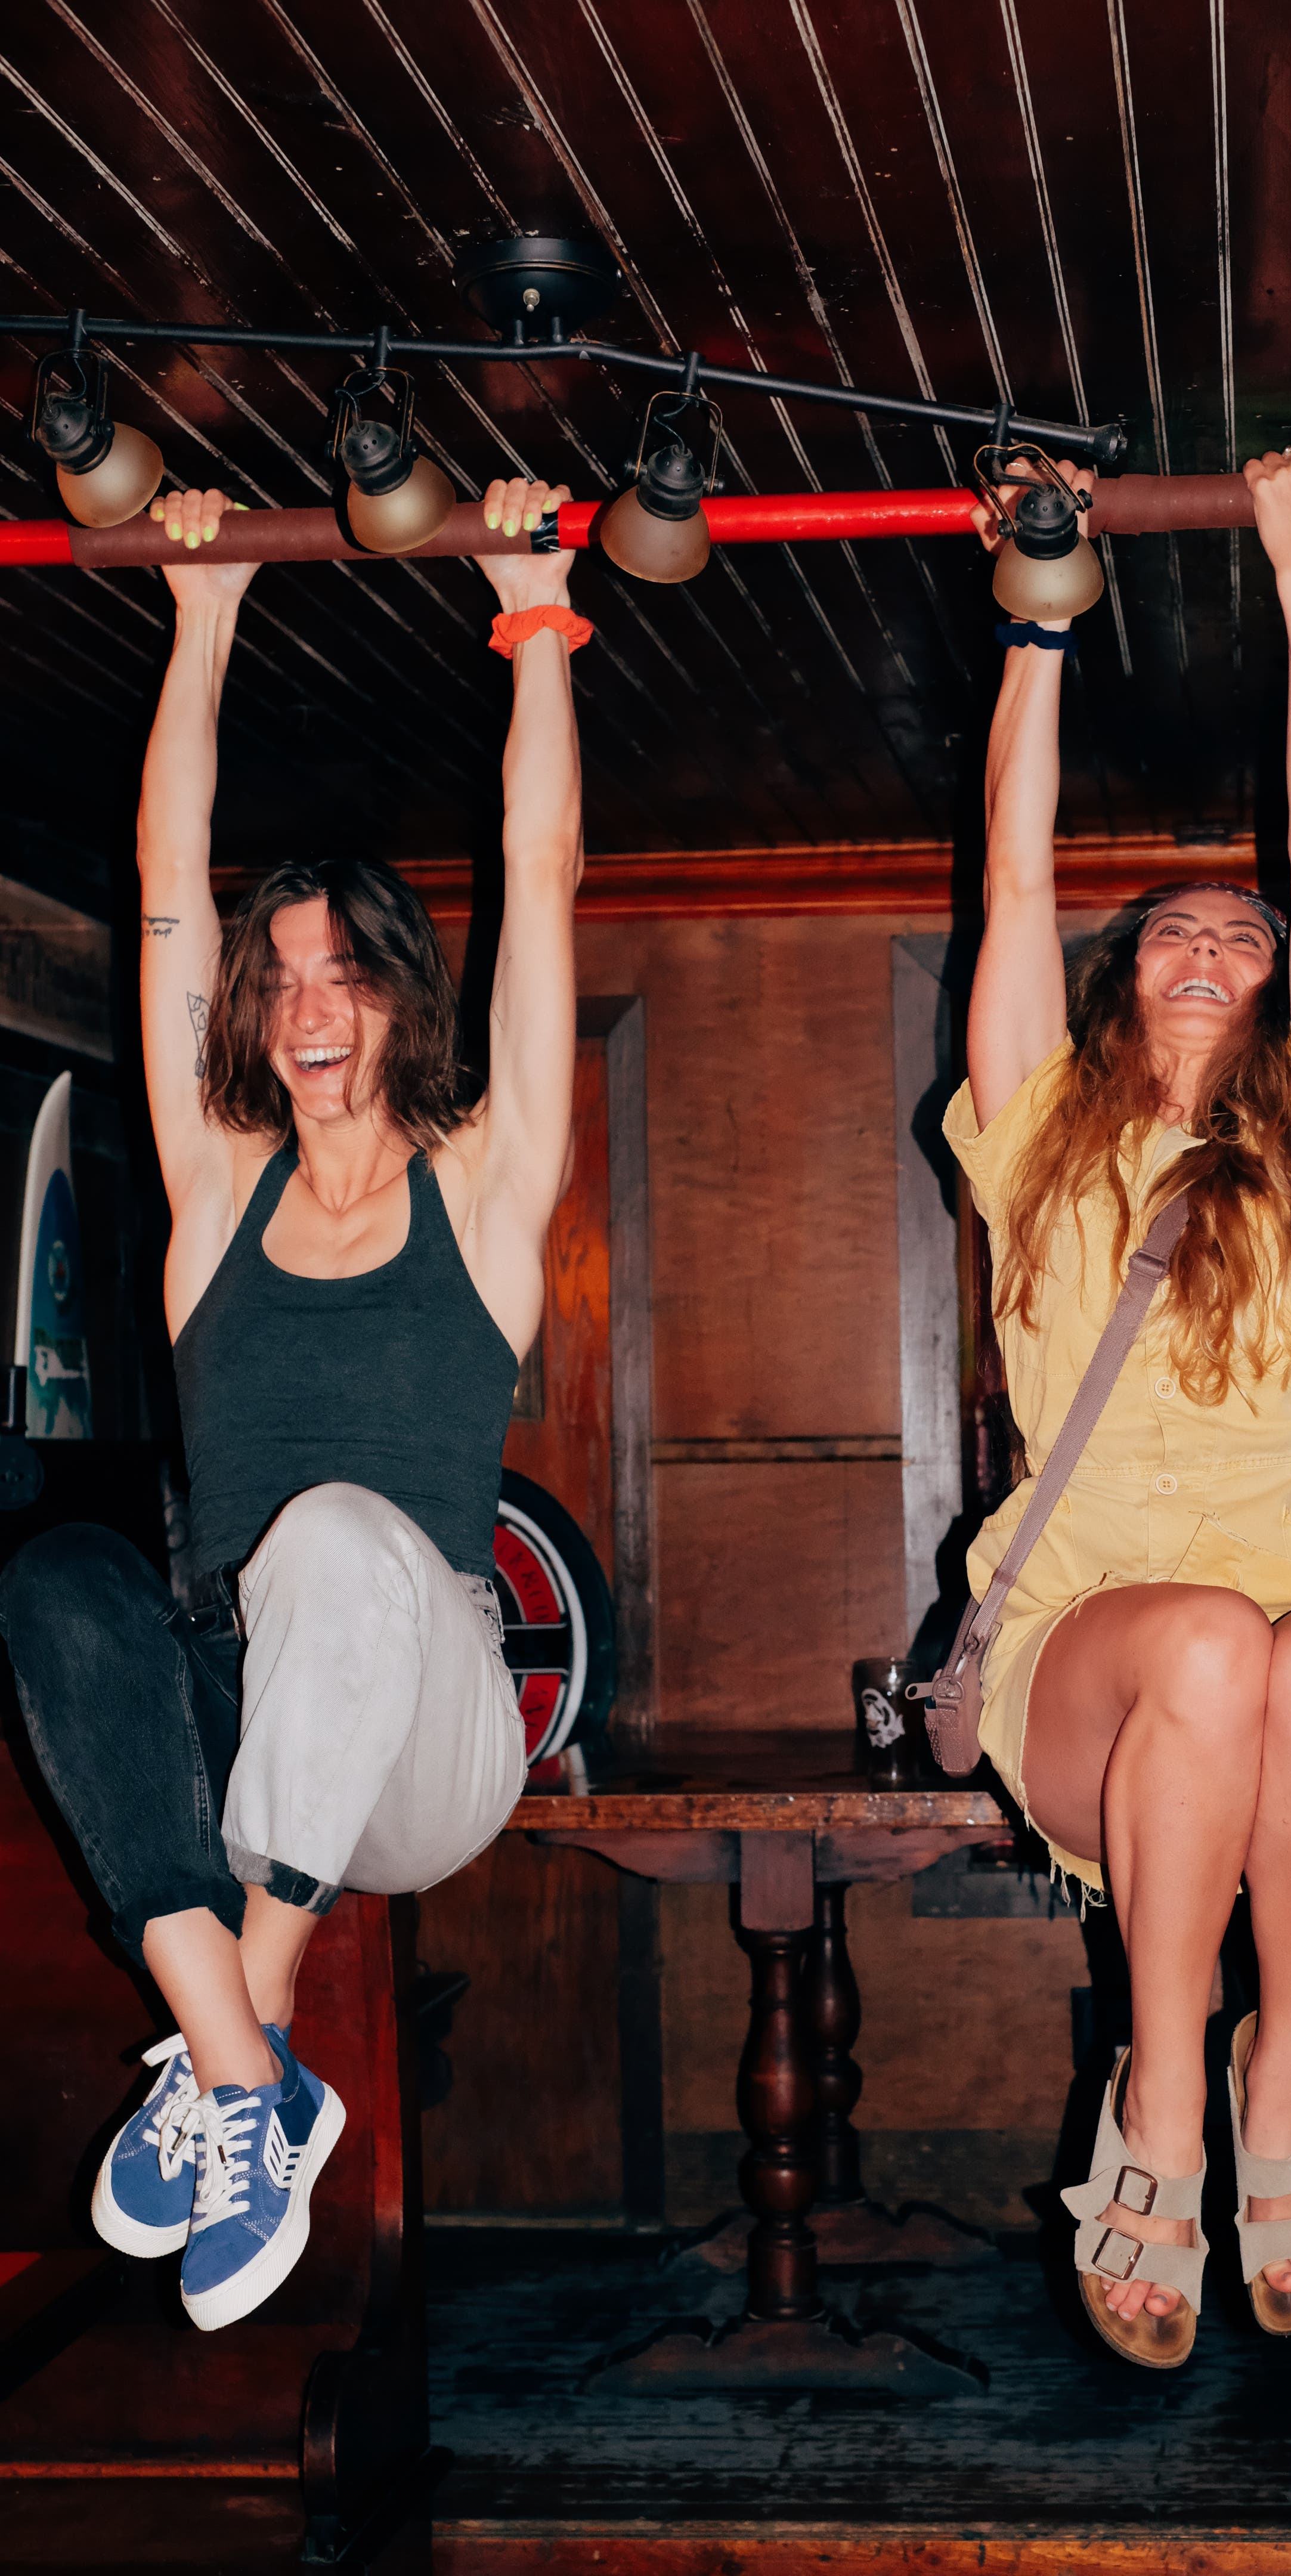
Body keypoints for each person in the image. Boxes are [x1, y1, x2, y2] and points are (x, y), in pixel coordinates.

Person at [0, 473, 585, 2330]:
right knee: (60, 1590)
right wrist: (204, 617)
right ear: (249, 1014)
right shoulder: (217, 1191)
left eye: (346, 970)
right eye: (281, 979)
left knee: (335, 1537)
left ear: (402, 997)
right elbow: (165, 879)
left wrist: (536, 622)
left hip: (434, 1736)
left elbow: (545, 875)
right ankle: (246, 2076)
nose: (311, 1003)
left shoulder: (482, 1191)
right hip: (253, 1697)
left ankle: (241, 2047)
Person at [949, 449, 1291, 2368]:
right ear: (1121, 978)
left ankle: (1278, 2076)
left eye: (1241, 937)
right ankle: (1161, 2097)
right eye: (1177, 927)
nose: (1219, 942)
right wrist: (1035, 625)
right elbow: (1008, 866)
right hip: (1095, 1637)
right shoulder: (1036, 1145)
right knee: (1221, 1646)